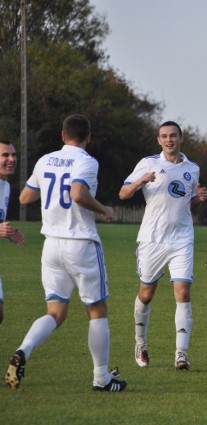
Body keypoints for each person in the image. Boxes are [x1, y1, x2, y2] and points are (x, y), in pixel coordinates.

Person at [5, 114, 126, 391]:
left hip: (51, 246)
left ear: (62, 135)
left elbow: (25, 197)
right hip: (80, 243)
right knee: (96, 309)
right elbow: (78, 194)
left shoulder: (45, 160)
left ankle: (24, 348)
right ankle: (102, 378)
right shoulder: (87, 161)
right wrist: (105, 210)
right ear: (88, 137)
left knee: (56, 311)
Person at [119, 121, 207, 370]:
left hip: (182, 239)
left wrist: (198, 200)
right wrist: (141, 181)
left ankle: (181, 353)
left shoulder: (193, 168)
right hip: (152, 239)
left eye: (173, 136)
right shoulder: (148, 163)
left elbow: (187, 203)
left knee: (183, 292)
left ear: (181, 138)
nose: (169, 140)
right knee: (146, 295)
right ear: (159, 140)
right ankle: (140, 342)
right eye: (164, 136)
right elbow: (123, 194)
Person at [0, 139, 25, 324]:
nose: (11, 159)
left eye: (13, 154)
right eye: (5, 155)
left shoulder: (6, 187)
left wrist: (8, 233)